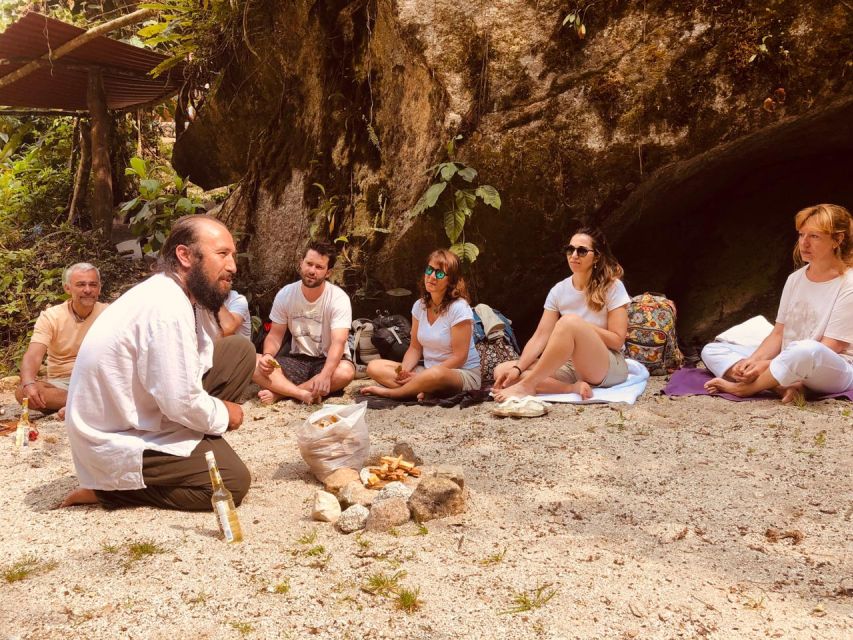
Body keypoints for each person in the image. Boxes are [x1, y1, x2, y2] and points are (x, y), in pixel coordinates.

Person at [61, 215, 256, 510]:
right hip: (116, 434)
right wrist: (223, 413)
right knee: (232, 483)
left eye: (233, 255)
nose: (232, 266)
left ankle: (193, 444)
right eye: (222, 254)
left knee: (240, 352)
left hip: (149, 407)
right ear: (185, 256)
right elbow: (179, 400)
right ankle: (108, 490)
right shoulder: (166, 307)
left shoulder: (182, 293)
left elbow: (203, 351)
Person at [704, 204, 853, 402]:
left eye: (814, 236)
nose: (804, 243)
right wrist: (751, 362)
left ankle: (746, 388)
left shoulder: (849, 283)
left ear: (838, 239)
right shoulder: (795, 279)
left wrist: (766, 364)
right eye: (801, 235)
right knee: (713, 349)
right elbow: (779, 333)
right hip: (789, 357)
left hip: (830, 367)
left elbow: (830, 346)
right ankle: (782, 385)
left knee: (806, 350)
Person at [493, 227, 630, 401]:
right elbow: (540, 336)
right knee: (502, 372)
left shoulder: (613, 287)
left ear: (596, 256)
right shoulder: (558, 290)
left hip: (607, 364)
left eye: (581, 251)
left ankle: (527, 385)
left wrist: (580, 327)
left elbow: (617, 341)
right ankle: (571, 388)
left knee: (569, 321)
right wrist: (518, 368)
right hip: (571, 365)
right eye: (569, 249)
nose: (574, 255)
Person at [361, 249, 481, 399]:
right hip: (426, 370)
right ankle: (421, 390)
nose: (431, 276)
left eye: (439, 273)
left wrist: (423, 375)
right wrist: (404, 371)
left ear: (451, 281)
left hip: (458, 373)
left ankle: (395, 393)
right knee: (374, 367)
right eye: (429, 270)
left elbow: (459, 357)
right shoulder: (419, 306)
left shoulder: (459, 308)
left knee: (436, 374)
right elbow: (415, 348)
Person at [254, 241, 355, 404]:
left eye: (319, 267)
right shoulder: (285, 294)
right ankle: (302, 393)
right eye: (309, 264)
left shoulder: (338, 298)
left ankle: (282, 394)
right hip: (297, 359)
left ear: (328, 273)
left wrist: (326, 374)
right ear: (301, 263)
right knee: (253, 361)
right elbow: (275, 335)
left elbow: (339, 341)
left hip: (328, 361)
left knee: (345, 372)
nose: (312, 271)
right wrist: (267, 356)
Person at [16, 262, 107, 413]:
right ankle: (86, 404)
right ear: (67, 288)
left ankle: (75, 406)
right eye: (80, 284)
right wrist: (28, 383)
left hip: (97, 380)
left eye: (93, 284)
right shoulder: (51, 317)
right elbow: (34, 355)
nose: (88, 290)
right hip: (61, 384)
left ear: (99, 288)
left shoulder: (110, 313)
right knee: (22, 393)